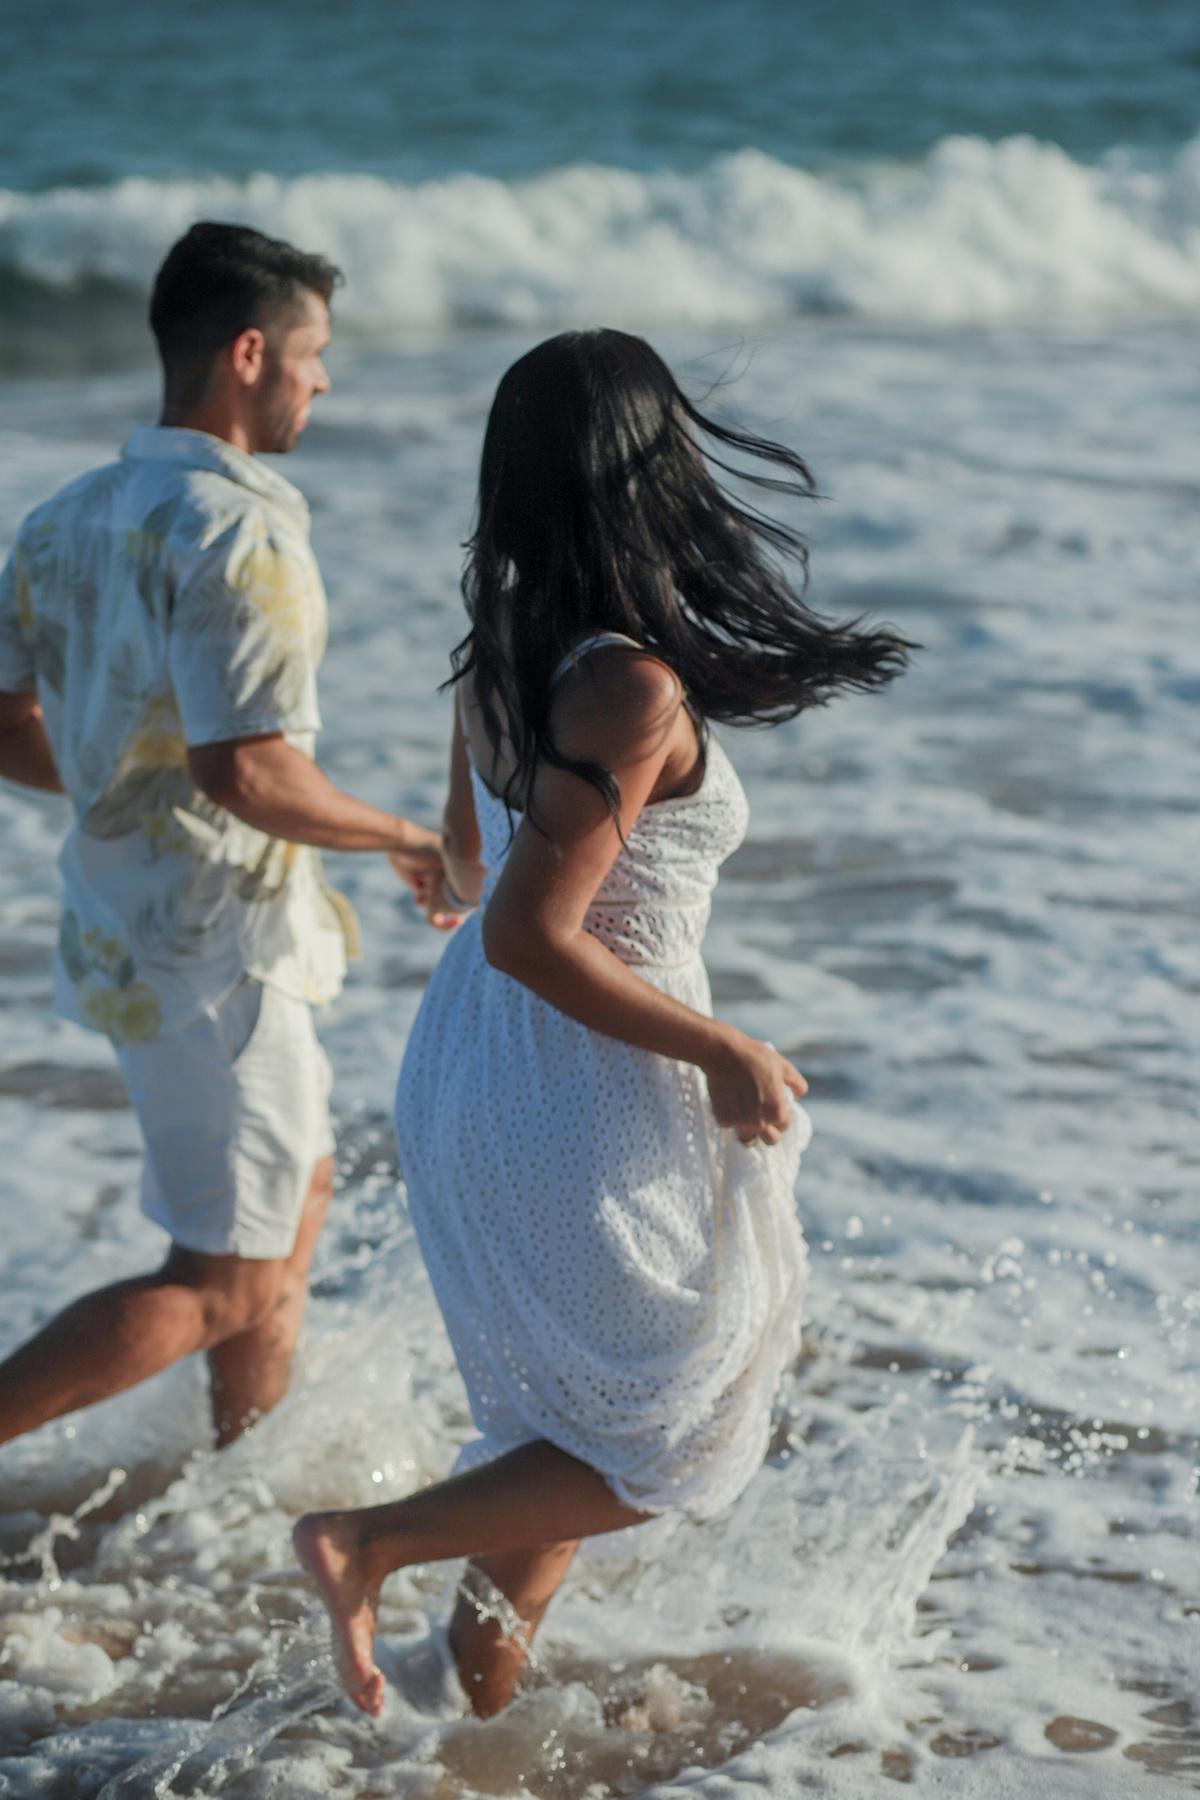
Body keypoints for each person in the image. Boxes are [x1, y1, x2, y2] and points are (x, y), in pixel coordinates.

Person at [295, 329, 911, 1718]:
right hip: (581, 1080)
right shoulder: (629, 686)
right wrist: (723, 1048)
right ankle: (365, 1544)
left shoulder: (500, 646)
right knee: (678, 1436)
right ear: (650, 472)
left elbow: (470, 873)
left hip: (475, 1066)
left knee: (564, 1430)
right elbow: (523, 929)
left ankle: (476, 1717)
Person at [0, 222, 445, 1451]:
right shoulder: (240, 530)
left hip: (130, 929)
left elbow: (7, 726)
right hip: (217, 950)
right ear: (250, 355)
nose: (323, 380)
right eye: (313, 354)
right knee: (226, 1280)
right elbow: (247, 769)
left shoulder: (64, 518)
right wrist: (410, 836)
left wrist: (115, 781)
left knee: (294, 1199)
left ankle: (238, 1491)